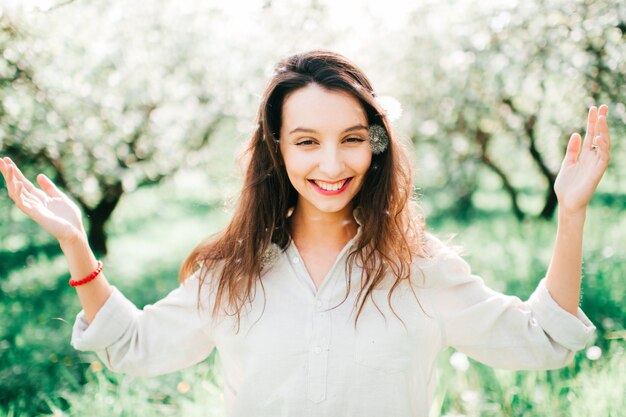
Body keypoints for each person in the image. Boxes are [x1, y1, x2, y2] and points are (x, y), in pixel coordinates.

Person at [0, 50, 611, 417]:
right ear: (277, 149)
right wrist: (77, 245)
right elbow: (134, 347)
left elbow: (541, 341)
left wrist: (572, 214)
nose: (331, 164)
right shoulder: (234, 272)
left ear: (375, 147)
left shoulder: (419, 267)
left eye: (350, 139)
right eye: (307, 142)